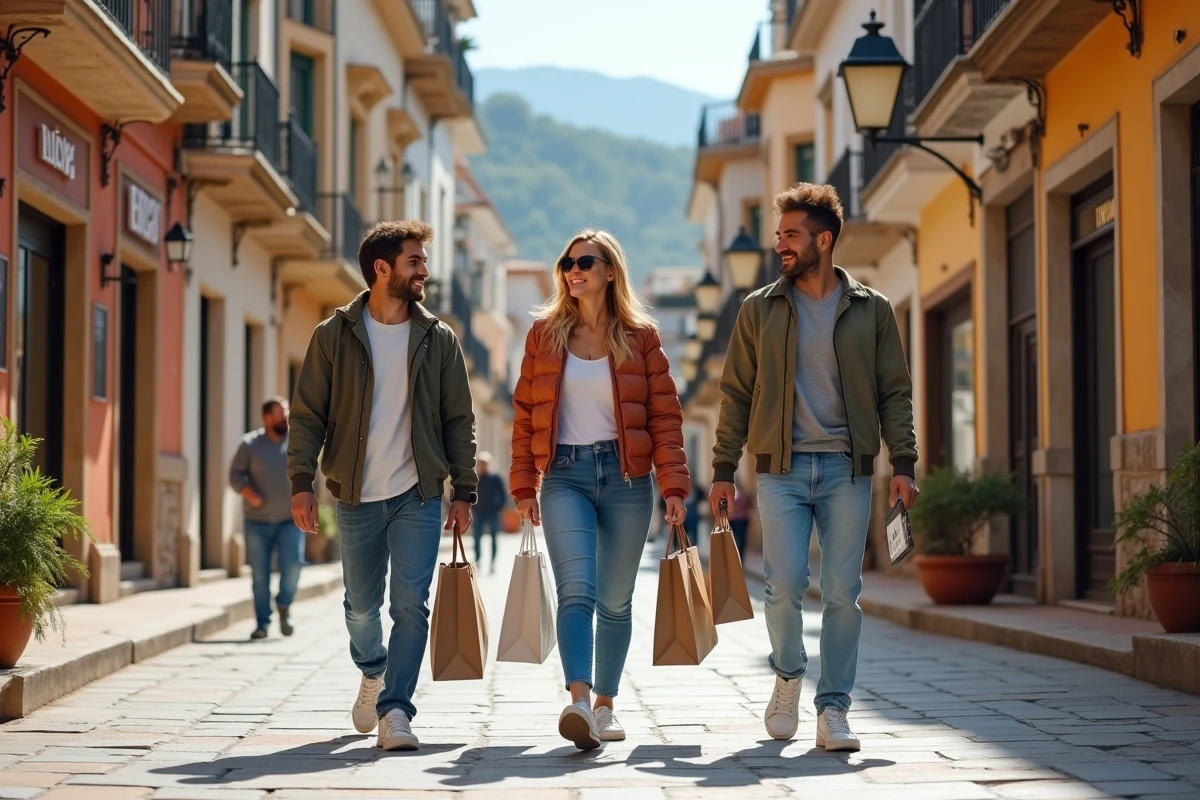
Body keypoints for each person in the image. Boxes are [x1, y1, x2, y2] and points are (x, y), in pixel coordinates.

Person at [709, 183, 918, 753]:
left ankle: (834, 710)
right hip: (780, 469)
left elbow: (894, 391)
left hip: (849, 470)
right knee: (782, 587)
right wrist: (724, 468)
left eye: (791, 235)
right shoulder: (760, 309)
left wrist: (903, 460)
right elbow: (736, 393)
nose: (781, 245)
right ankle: (787, 674)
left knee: (842, 593)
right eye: (779, 236)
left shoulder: (871, 309)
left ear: (823, 241)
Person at [288, 220, 478, 752]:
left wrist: (463, 490)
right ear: (382, 268)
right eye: (415, 261)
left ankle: (396, 709)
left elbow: (458, 420)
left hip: (417, 494)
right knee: (361, 607)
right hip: (354, 494)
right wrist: (302, 480)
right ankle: (372, 671)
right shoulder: (333, 335)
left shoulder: (439, 340)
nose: (425, 271)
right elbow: (307, 416)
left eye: (423, 261)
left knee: (411, 604)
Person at [511, 229, 690, 751]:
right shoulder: (543, 335)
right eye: (567, 261)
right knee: (578, 590)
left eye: (585, 261)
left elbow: (665, 417)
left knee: (615, 599)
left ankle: (607, 705)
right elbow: (525, 414)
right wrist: (524, 482)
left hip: (628, 478)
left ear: (611, 271)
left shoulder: (641, 337)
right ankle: (579, 702)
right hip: (564, 475)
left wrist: (674, 485)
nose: (574, 269)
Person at [229, 397, 304, 641]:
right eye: (281, 413)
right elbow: (235, 475)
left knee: (293, 566)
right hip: (257, 522)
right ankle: (262, 623)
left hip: (289, 520)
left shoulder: (297, 442)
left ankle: (283, 604)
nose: (286, 417)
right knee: (260, 575)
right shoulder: (250, 444)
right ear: (267, 418)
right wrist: (249, 494)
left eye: (286, 412)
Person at [473, 452, 507, 573]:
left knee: (493, 537)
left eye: (485, 464)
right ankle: (477, 560)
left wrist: (499, 509)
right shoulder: (475, 479)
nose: (482, 466)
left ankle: (492, 562)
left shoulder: (495, 478)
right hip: (478, 513)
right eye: (480, 464)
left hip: (493, 513)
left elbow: (503, 495)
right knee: (476, 537)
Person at [728, 483, 751, 556]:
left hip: (738, 520)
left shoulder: (742, 496)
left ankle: (738, 556)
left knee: (738, 540)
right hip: (737, 519)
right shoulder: (744, 495)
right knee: (739, 540)